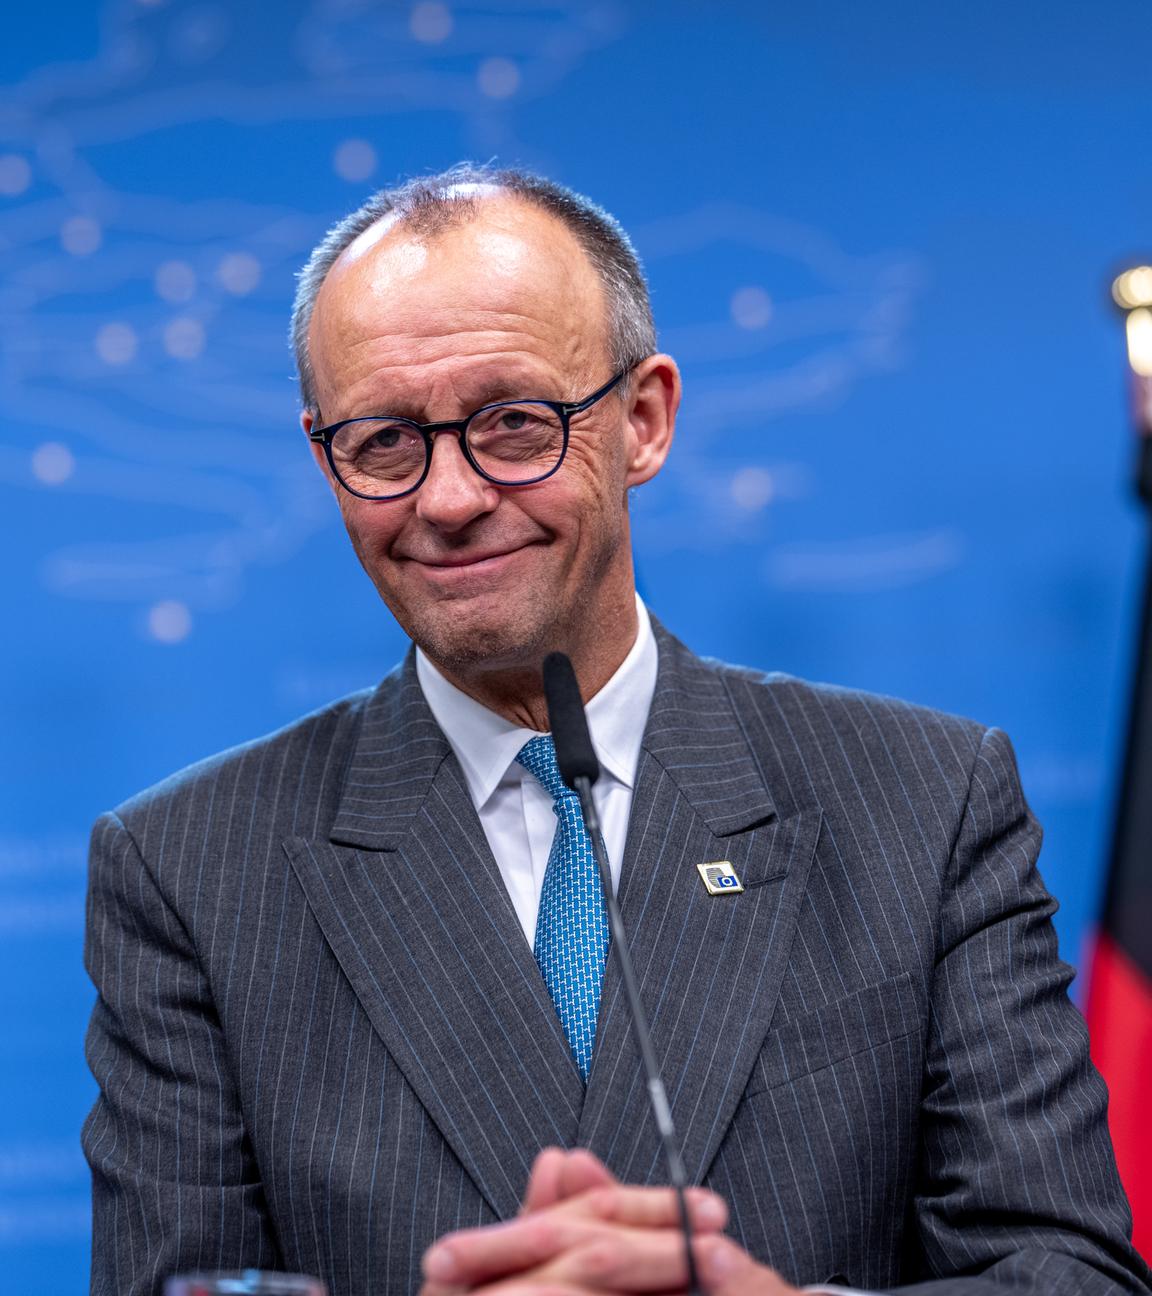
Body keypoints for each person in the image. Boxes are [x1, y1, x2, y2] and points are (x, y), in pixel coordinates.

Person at [82, 165, 1151, 1296]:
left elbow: (1068, 1275)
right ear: (325, 458)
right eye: (385, 440)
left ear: (643, 421)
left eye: (513, 423)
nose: (448, 499)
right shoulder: (190, 870)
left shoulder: (922, 801)